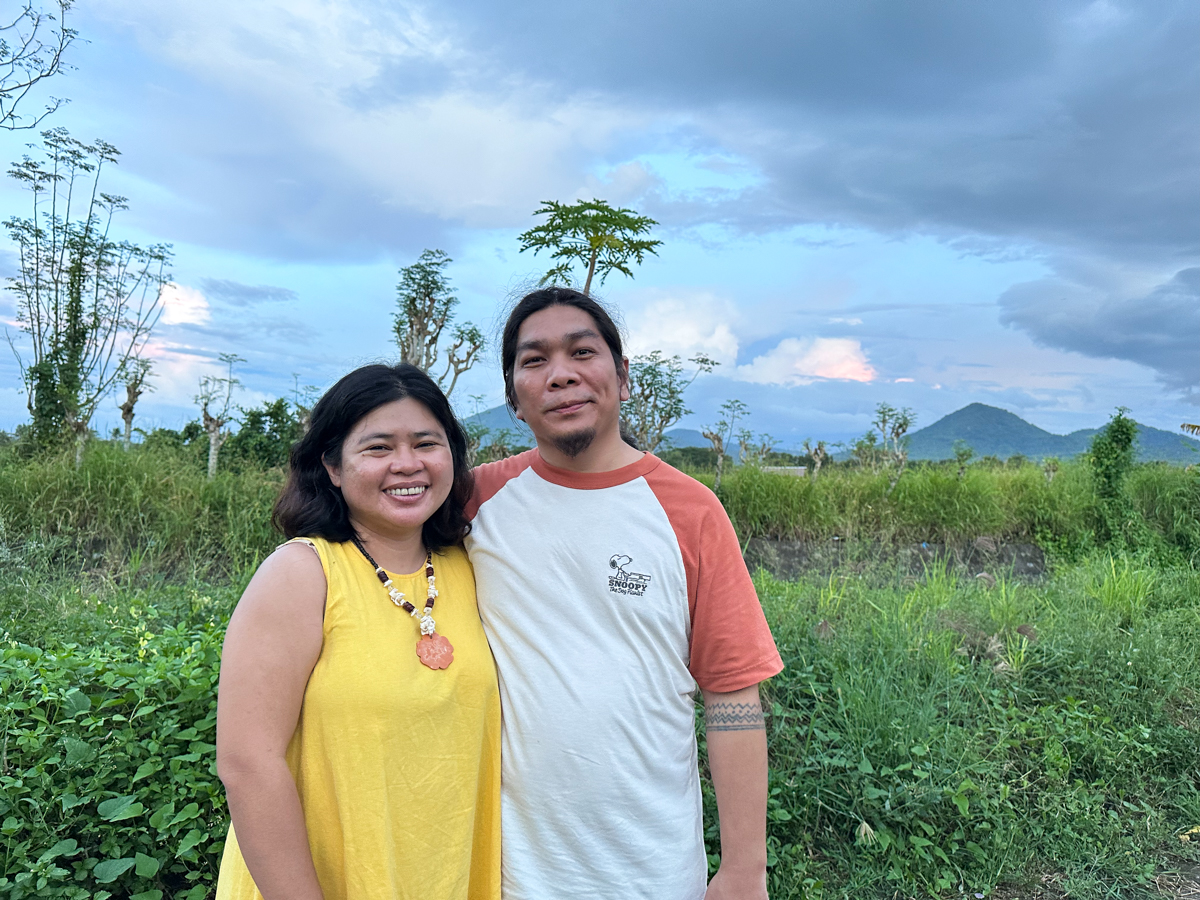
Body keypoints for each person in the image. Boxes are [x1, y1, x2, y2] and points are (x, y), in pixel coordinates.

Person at [465, 287, 784, 900]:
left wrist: (745, 868)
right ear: (513, 397)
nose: (561, 375)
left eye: (582, 351)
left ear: (623, 376)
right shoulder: (472, 501)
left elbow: (733, 696)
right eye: (534, 361)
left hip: (653, 868)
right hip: (504, 872)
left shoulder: (691, 512)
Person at [214, 363, 501, 900]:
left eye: (426, 443)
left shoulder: (470, 566)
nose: (407, 465)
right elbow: (247, 762)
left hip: (444, 877)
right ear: (333, 467)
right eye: (377, 448)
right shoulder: (302, 573)